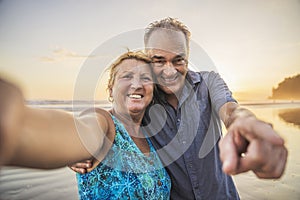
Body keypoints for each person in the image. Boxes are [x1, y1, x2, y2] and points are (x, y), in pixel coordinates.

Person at [71, 17, 288, 199]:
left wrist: (245, 122)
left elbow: (230, 109)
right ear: (148, 58)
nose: (169, 70)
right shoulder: (145, 96)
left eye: (178, 60)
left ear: (188, 57)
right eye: (158, 60)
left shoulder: (208, 83)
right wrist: (81, 140)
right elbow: (116, 116)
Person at [0, 51, 171, 199]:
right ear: (111, 89)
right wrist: (18, 124)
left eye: (145, 78)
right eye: (127, 76)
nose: (137, 84)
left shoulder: (151, 136)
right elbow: (81, 131)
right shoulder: (104, 122)